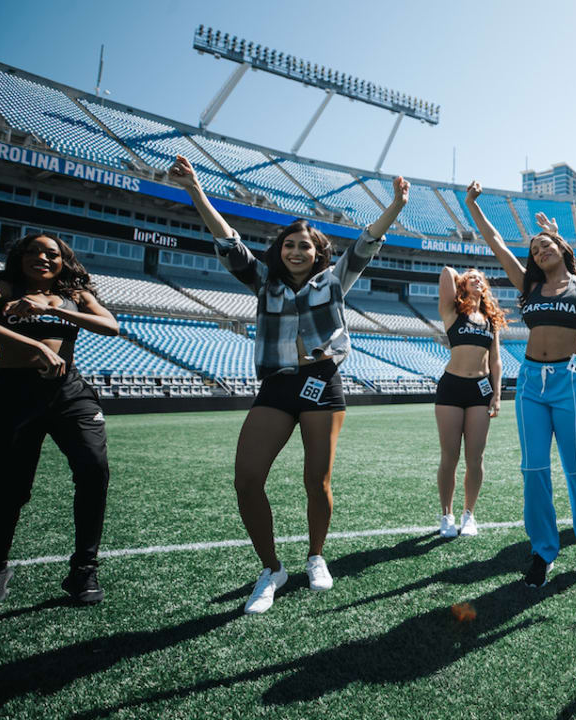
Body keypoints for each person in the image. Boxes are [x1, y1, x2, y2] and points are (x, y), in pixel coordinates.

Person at [169, 155, 409, 614]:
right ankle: (272, 568)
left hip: (323, 382)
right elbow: (228, 243)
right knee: (247, 479)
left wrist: (396, 204)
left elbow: (368, 242)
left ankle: (316, 556)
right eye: (289, 245)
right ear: (279, 251)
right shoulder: (265, 283)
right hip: (278, 386)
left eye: (305, 246)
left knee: (316, 481)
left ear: (319, 253)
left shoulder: (334, 280)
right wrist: (196, 191)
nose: (296, 252)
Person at [464, 181, 576, 587]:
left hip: (570, 381)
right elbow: (495, 242)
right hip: (530, 381)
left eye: (546, 245)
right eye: (534, 248)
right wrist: (472, 206)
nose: (539, 250)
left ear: (562, 249)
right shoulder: (528, 286)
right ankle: (542, 550)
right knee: (533, 469)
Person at [0, 232, 119, 605]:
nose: (43, 258)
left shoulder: (77, 295)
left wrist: (52, 310)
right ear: (19, 258)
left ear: (63, 261)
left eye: (52, 253)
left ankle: (84, 571)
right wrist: (32, 344)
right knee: (9, 490)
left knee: (94, 470)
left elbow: (111, 326)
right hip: (13, 393)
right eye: (32, 251)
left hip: (70, 391)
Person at [435, 266, 505, 537]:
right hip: (451, 388)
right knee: (449, 457)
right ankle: (446, 515)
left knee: (475, 457)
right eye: (471, 277)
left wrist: (497, 394)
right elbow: (445, 272)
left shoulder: (490, 319)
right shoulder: (452, 312)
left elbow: (496, 360)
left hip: (480, 390)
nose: (477, 279)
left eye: (481, 278)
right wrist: (462, 277)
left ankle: (469, 514)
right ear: (462, 284)